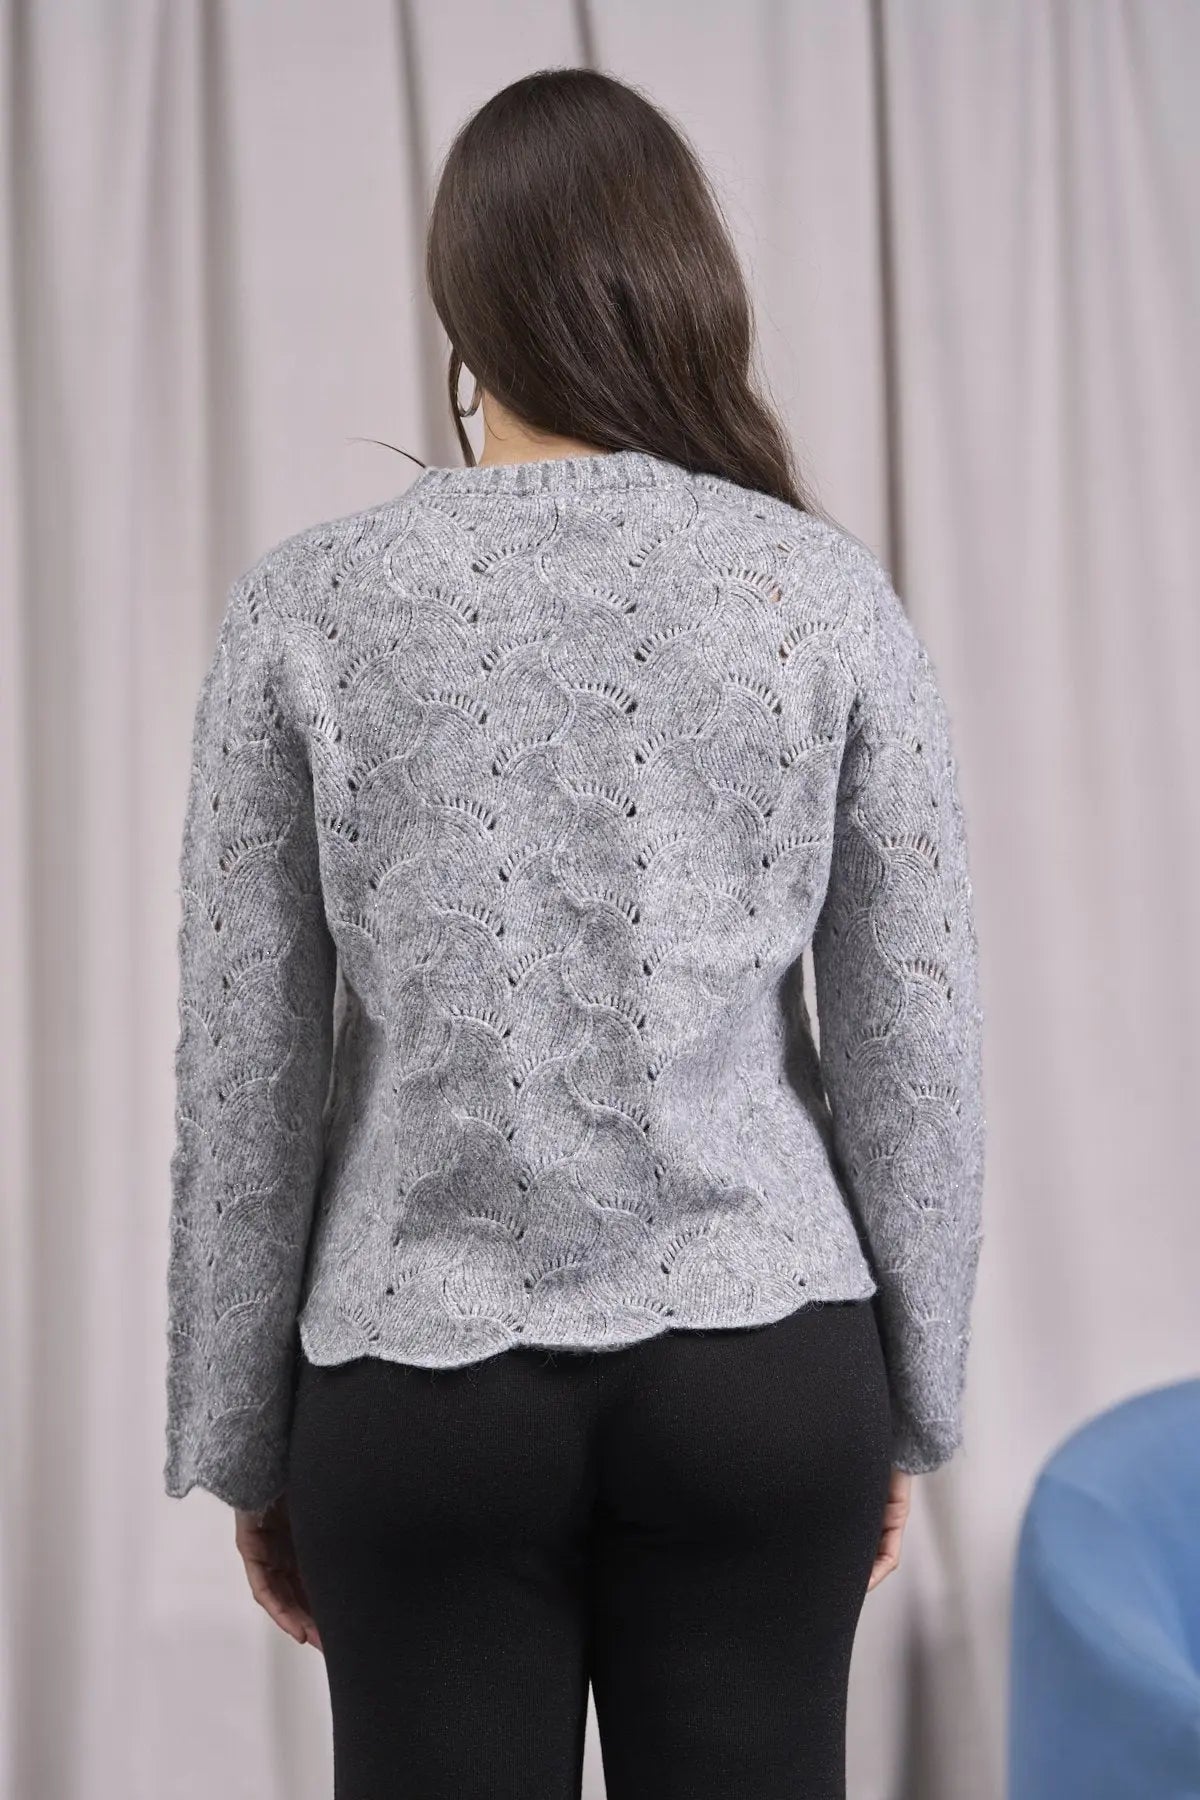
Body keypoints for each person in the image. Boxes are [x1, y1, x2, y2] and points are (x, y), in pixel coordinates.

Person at [163, 66, 984, 1800]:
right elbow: (918, 1049)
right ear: (682, 286)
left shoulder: (306, 608)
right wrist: (907, 1398)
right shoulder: (818, 594)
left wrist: (244, 1437)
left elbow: (246, 1069)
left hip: (419, 1394)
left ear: (465, 314)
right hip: (765, 1375)